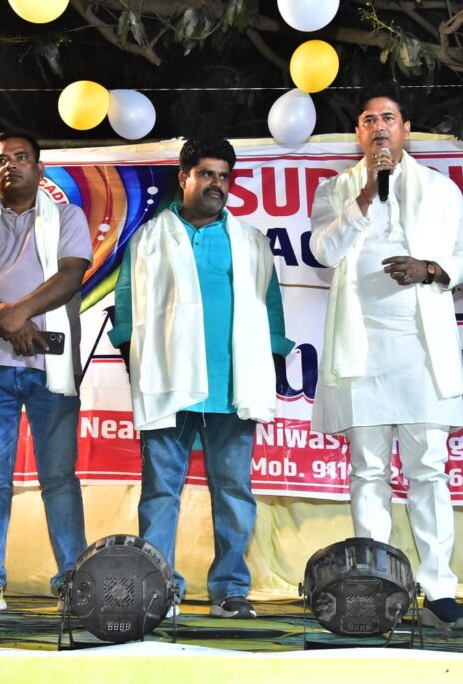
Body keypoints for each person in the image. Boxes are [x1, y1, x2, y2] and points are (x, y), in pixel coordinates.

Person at [308, 83, 463, 629]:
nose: (379, 127)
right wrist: (364, 195)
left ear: (405, 129)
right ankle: (373, 585)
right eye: (368, 120)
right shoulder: (336, 189)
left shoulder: (441, 189)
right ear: (358, 134)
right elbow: (323, 251)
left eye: (388, 118)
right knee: (368, 470)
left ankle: (439, 591)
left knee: (429, 470)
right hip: (360, 347)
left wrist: (430, 269)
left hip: (421, 348)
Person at [108, 137, 294, 619]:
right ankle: (158, 589)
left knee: (234, 492)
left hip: (233, 385)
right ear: (184, 178)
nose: (217, 184)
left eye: (224, 176)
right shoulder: (149, 237)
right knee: (160, 492)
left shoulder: (249, 239)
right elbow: (126, 302)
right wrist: (132, 355)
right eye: (207, 174)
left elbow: (269, 303)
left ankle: (230, 590)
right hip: (168, 382)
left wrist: (273, 357)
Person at [0, 131, 90, 614]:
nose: (11, 166)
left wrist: (15, 314)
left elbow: (71, 275)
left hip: (52, 369)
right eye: (2, 160)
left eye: (22, 157)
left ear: (39, 168)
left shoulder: (67, 216)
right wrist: (5, 320)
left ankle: (74, 582)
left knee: (60, 478)